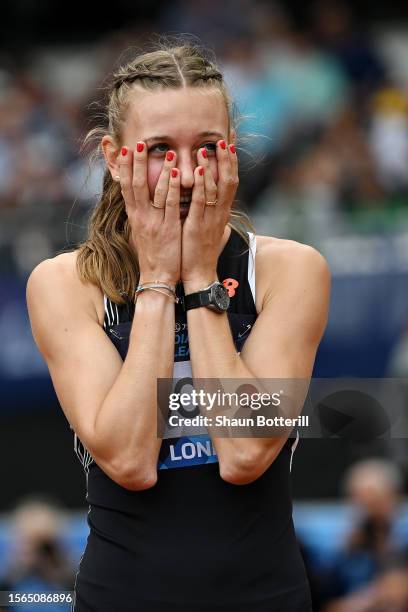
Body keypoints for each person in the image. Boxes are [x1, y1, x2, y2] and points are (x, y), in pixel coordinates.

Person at [26, 39, 330, 612]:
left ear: (234, 154)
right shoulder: (65, 283)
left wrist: (199, 279)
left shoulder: (291, 270)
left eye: (208, 148)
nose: (187, 174)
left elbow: (244, 453)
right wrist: (158, 281)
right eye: (160, 149)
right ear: (115, 159)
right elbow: (130, 461)